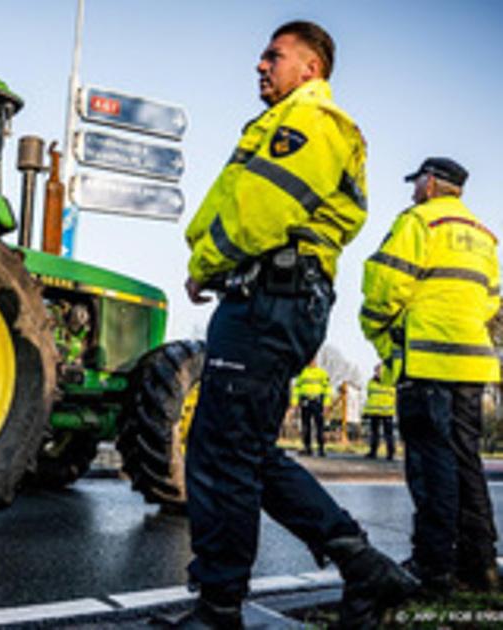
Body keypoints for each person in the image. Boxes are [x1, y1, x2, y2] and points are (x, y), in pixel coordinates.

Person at [179, 20, 417, 629]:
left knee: (223, 451)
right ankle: (363, 566)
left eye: (274, 56)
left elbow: (261, 211)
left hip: (270, 296)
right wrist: (205, 257)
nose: (261, 66)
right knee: (243, 449)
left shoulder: (310, 122)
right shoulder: (282, 124)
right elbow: (230, 205)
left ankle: (220, 608)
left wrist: (206, 262)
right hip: (271, 294)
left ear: (311, 68)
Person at [360, 157, 500, 595]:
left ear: (432, 182)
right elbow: (492, 301)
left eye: (416, 182)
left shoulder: (420, 221)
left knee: (429, 463)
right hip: (472, 363)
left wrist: (376, 326)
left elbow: (385, 284)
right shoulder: (485, 237)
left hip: (427, 361)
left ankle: (433, 565)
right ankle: (481, 564)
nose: (412, 191)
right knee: (465, 460)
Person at [291, 359, 331, 456]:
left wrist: (326, 403)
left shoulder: (322, 373)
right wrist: (294, 402)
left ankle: (321, 449)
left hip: (318, 402)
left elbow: (327, 389)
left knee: (319, 425)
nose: (312, 361)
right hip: (305, 401)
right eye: (310, 359)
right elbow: (297, 388)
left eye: (313, 359)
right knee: (305, 425)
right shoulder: (302, 373)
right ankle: (307, 448)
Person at [362, 364, 396, 460]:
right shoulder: (371, 382)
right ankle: (373, 452)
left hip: (387, 411)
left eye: (380, 371)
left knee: (388, 434)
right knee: (374, 433)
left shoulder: (390, 382)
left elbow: (394, 396)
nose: (378, 373)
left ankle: (390, 453)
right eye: (376, 371)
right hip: (374, 411)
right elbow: (370, 396)